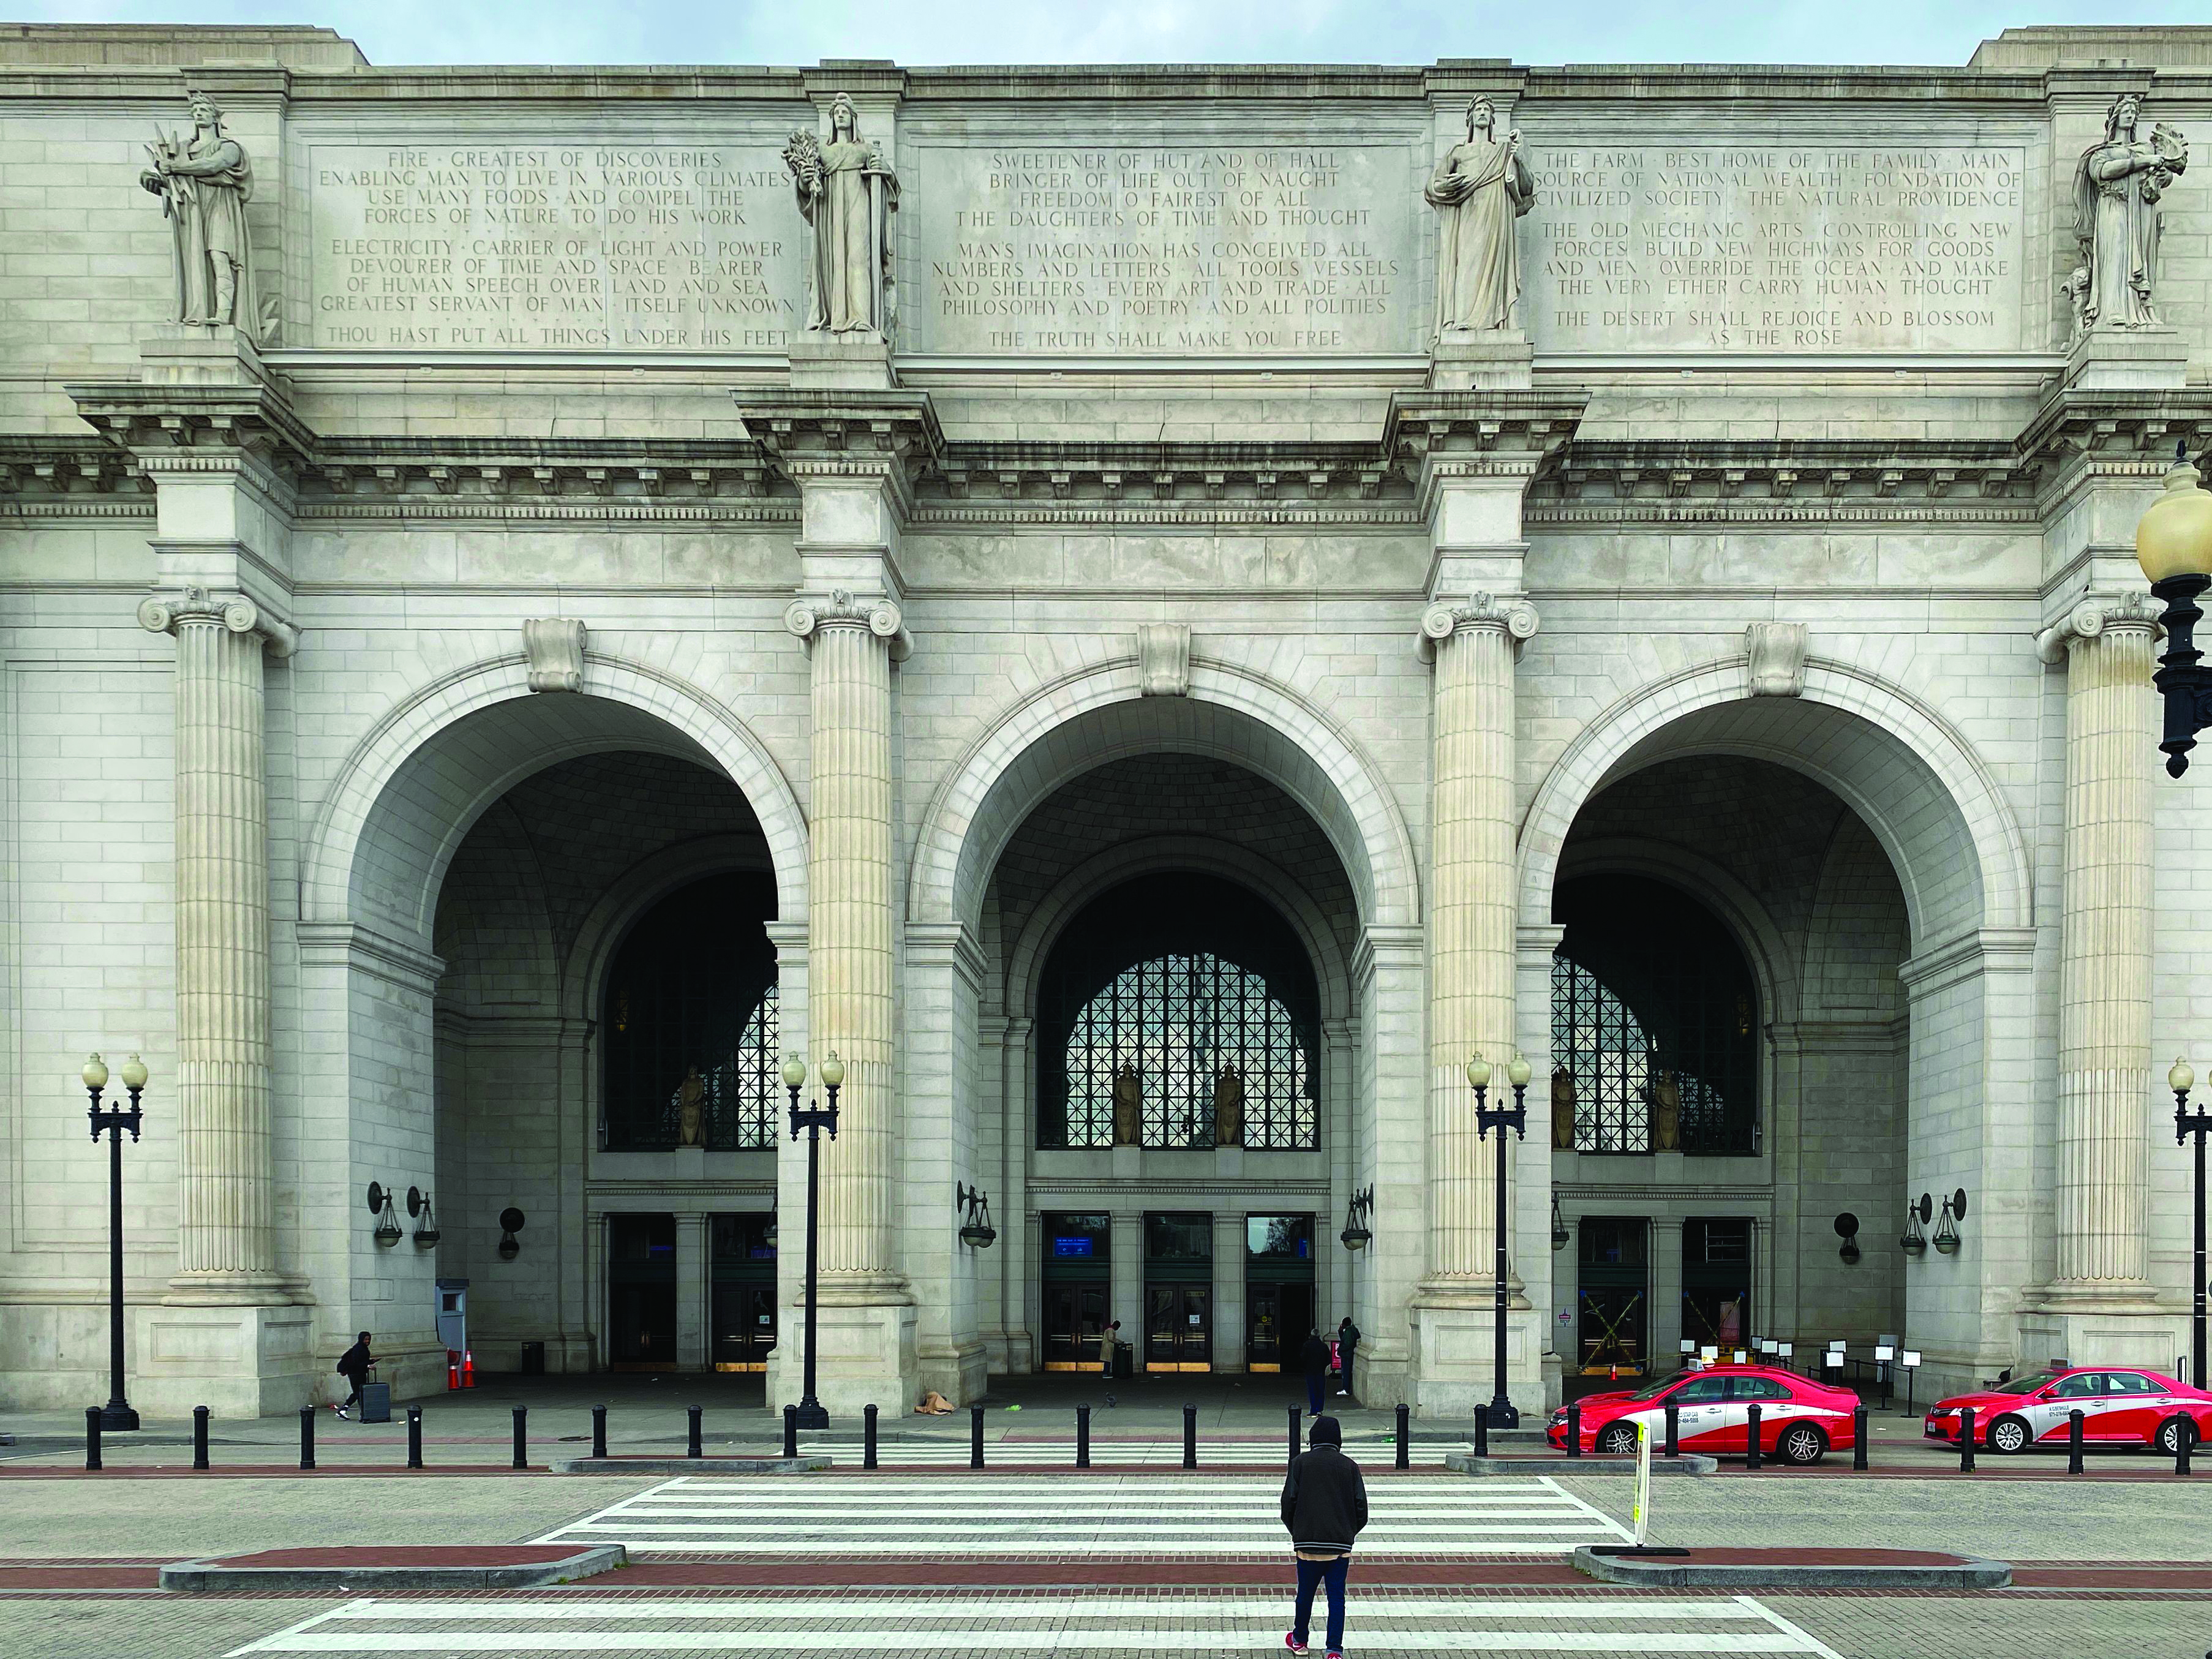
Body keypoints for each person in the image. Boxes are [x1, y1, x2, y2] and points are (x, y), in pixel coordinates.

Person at [1281, 1414, 1366, 1658]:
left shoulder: (1299, 1463)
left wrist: (1298, 1532)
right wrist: (1347, 1533)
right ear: (1338, 1440)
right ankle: (1334, 1650)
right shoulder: (1350, 1466)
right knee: (1337, 1598)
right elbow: (1362, 1508)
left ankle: (1299, 1640)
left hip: (1307, 1544)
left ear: (1313, 1440)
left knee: (1305, 1594)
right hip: (1339, 1546)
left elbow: (1288, 1504)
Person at [333, 1331, 374, 1420]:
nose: (367, 1341)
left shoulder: (362, 1348)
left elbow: (362, 1361)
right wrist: (367, 1365)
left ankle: (347, 1411)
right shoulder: (359, 1349)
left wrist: (371, 1362)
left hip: (359, 1373)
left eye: (369, 1339)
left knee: (358, 1393)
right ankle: (350, 1411)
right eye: (366, 1339)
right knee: (359, 1393)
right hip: (355, 1374)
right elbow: (356, 1362)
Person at [1300, 1328, 1332, 1416]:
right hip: (1320, 1371)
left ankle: (1313, 1410)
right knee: (1320, 1391)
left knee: (1312, 1391)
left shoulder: (1307, 1345)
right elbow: (1329, 1359)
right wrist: (1323, 1366)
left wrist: (1306, 1367)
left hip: (1310, 1371)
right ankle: (1319, 1410)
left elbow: (1303, 1358)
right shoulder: (1323, 1346)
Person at [1336, 1316, 1361, 1400]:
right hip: (1348, 1354)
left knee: (1346, 1372)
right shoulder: (1351, 1330)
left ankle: (1346, 1389)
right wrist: (1340, 1331)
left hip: (1347, 1355)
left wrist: (1340, 1350)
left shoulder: (1348, 1332)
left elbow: (1347, 1343)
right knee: (1346, 1372)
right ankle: (1346, 1389)